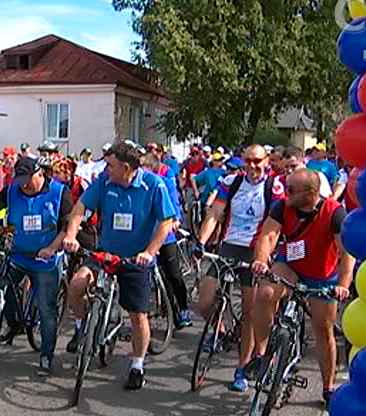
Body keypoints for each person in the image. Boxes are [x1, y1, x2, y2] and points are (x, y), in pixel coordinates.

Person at [62, 142, 177, 391]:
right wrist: (71, 234)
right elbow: (80, 207)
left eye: (110, 165)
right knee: (76, 285)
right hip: (105, 253)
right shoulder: (104, 182)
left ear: (126, 168)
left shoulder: (153, 185)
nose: (106, 169)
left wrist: (149, 252)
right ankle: (82, 329)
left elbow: (165, 223)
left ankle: (137, 365)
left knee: (137, 316)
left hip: (135, 259)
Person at [251, 169, 353, 407]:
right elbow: (269, 235)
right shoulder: (282, 207)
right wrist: (261, 259)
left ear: (311, 193)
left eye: (292, 190)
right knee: (265, 293)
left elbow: (347, 253)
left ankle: (328, 386)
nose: (287, 194)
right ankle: (262, 354)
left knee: (323, 329)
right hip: (291, 265)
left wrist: (342, 285)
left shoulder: (334, 213)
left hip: (322, 274)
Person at [194, 144, 285, 392]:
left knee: (249, 313)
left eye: (257, 161)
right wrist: (201, 242)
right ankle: (221, 330)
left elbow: (275, 224)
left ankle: (242, 366)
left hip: (255, 250)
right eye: (248, 161)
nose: (253, 166)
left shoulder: (274, 187)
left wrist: (265, 256)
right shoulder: (231, 181)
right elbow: (215, 213)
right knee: (205, 301)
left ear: (266, 161)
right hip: (228, 247)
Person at [0, 156, 72, 375]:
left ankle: (46, 356)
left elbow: (67, 226)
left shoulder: (59, 192)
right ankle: (12, 321)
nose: (24, 184)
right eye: (21, 179)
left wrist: (53, 248)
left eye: (28, 179)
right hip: (17, 255)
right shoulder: (12, 190)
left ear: (40, 174)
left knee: (46, 310)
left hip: (45, 261)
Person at [144, 151, 192, 329]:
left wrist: (176, 219)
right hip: (146, 236)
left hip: (165, 235)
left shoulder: (162, 183)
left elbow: (174, 201)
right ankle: (165, 310)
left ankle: (183, 308)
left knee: (173, 275)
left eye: (146, 169)